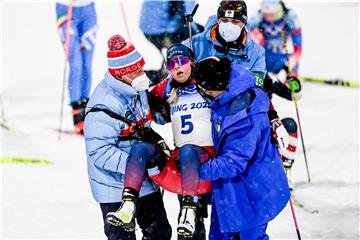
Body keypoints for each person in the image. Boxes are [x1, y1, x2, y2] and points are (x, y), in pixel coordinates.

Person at [106, 44, 217, 240]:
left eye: (182, 61)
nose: (177, 68)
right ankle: (129, 204)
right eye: (171, 64)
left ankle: (191, 209)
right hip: (184, 163)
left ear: (192, 61)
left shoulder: (206, 82)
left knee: (188, 152)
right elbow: (142, 97)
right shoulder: (167, 87)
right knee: (145, 149)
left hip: (208, 160)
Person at [83, 34, 172, 240]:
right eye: (137, 71)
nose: (144, 74)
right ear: (122, 74)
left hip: (144, 183)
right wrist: (141, 165)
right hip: (113, 186)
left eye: (142, 68)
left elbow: (144, 121)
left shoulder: (135, 88)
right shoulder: (103, 106)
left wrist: (162, 110)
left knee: (159, 232)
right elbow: (100, 152)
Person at [194, 57, 291, 240]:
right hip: (233, 192)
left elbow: (232, 163)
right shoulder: (235, 89)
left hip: (251, 194)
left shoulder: (243, 118)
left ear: (210, 87)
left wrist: (196, 171)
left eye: (202, 88)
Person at [184, 0, 290, 162]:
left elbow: (256, 91)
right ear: (218, 19)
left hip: (237, 116)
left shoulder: (256, 52)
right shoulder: (194, 43)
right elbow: (175, 76)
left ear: (244, 23)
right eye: (224, 20)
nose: (229, 25)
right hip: (199, 116)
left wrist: (273, 117)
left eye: (235, 21)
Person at [248, 0, 303, 185]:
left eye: (273, 15)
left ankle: (284, 167)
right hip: (263, 63)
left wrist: (292, 72)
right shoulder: (256, 19)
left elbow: (298, 47)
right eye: (267, 15)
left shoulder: (290, 18)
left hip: (281, 62)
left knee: (272, 107)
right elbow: (253, 42)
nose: (269, 18)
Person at [56, 0, 97, 134]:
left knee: (86, 63)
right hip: (67, 10)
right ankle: (77, 109)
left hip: (88, 10)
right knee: (76, 63)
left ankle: (85, 105)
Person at [140, 0, 204, 84]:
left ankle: (171, 68)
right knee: (199, 39)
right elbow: (179, 14)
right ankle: (186, 69)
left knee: (200, 32)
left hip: (150, 29)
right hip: (163, 30)